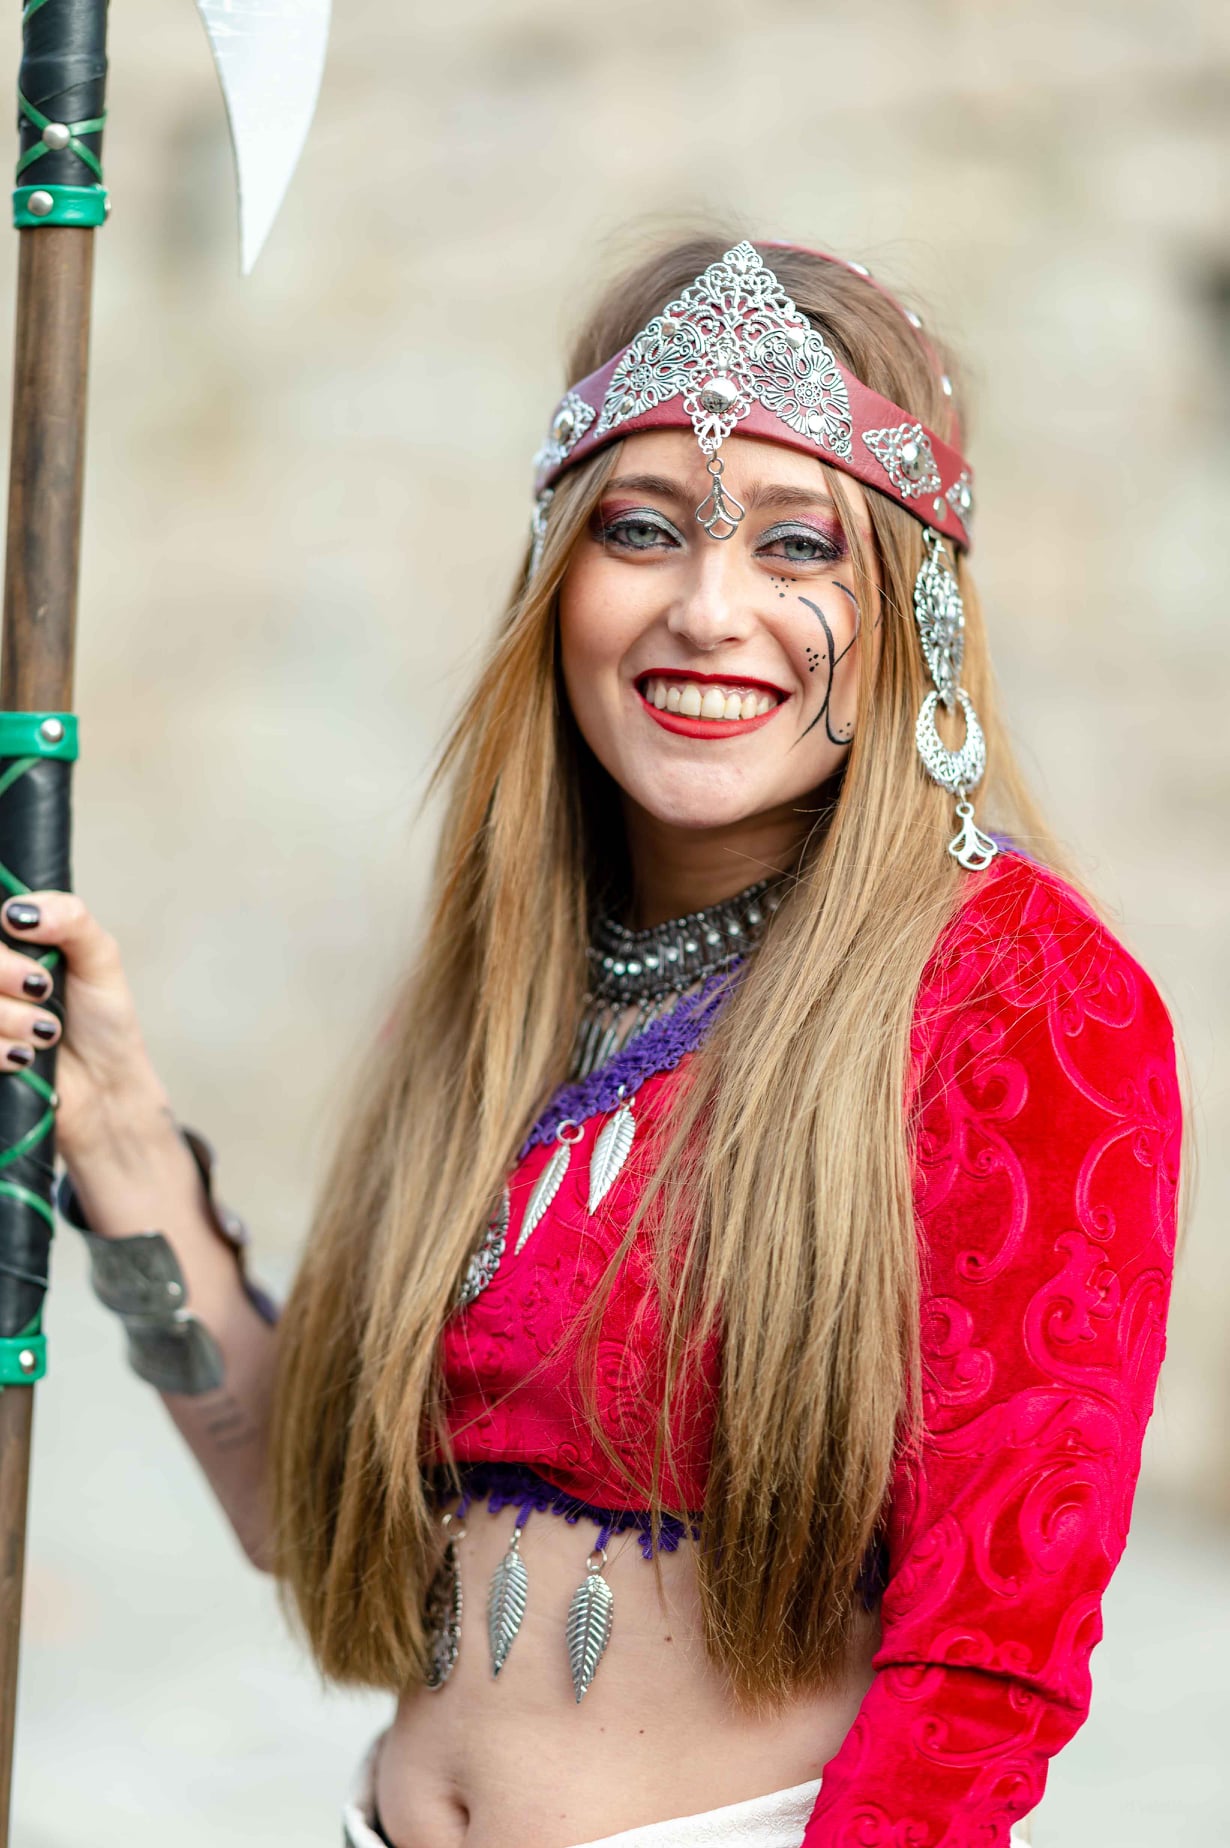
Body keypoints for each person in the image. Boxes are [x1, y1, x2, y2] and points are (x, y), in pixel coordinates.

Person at [7, 236, 1183, 1848]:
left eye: (799, 545)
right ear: (557, 577)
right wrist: (117, 1133)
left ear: (914, 610)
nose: (708, 609)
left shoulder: (1017, 992)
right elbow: (303, 1513)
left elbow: (990, 1655)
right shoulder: (505, 986)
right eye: (640, 528)